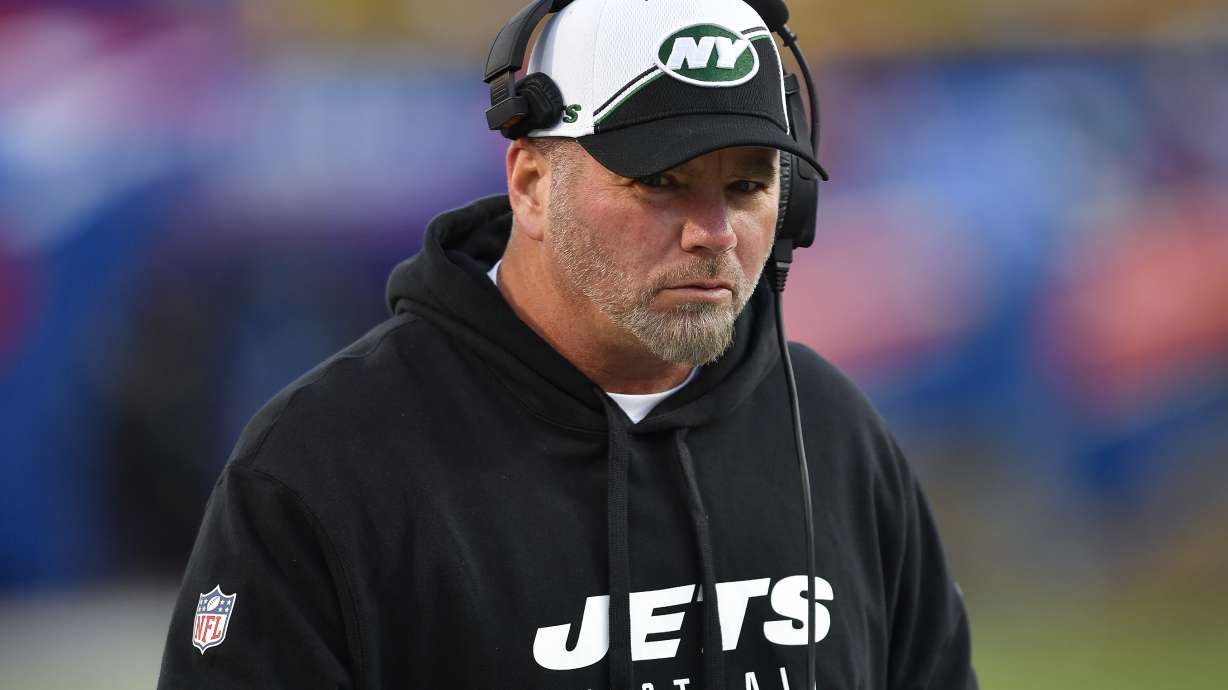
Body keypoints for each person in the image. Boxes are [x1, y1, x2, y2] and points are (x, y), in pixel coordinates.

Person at [157, 0, 977, 688]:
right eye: (660, 181)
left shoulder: (832, 437)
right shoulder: (327, 462)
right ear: (531, 184)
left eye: (749, 185)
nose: (713, 232)